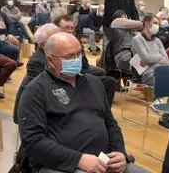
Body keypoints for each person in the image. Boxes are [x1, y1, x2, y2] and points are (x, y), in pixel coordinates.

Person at [18, 32, 149, 173]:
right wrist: (78, 160)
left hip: (104, 161)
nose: (76, 59)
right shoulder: (35, 91)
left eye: (78, 54)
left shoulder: (94, 83)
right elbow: (33, 142)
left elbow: (110, 124)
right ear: (50, 60)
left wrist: (120, 153)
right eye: (69, 57)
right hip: (61, 165)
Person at [131, 15, 169, 86]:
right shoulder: (137, 39)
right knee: (159, 81)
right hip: (147, 73)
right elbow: (146, 58)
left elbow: (166, 61)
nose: (157, 26)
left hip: (160, 70)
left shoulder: (157, 41)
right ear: (146, 24)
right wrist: (160, 56)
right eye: (155, 23)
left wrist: (152, 61)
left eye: (158, 24)